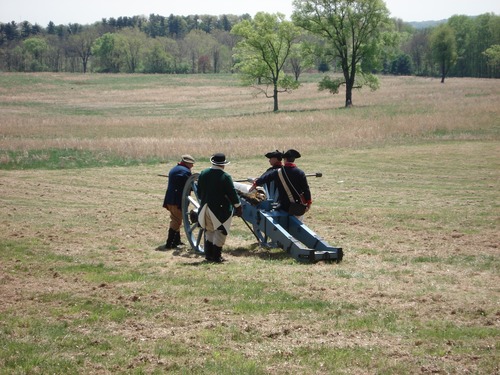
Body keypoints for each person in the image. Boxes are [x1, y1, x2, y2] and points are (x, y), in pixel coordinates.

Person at [197, 153, 242, 263]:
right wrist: (238, 206)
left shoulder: (203, 173)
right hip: (220, 210)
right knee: (221, 231)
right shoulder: (225, 176)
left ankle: (209, 255)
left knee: (209, 231)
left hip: (205, 207)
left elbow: (199, 193)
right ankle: (217, 256)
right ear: (223, 164)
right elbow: (232, 194)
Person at [252, 149, 312, 217]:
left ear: (285, 159)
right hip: (297, 207)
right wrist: (308, 202)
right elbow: (306, 189)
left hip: (284, 206)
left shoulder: (278, 172)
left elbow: (265, 178)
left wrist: (255, 183)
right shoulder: (300, 173)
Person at [161, 154, 195, 250]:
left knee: (176, 219)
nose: (192, 166)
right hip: (176, 200)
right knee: (176, 221)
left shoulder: (176, 169)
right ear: (186, 163)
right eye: (191, 164)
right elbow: (190, 185)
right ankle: (170, 243)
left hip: (171, 198)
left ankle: (176, 241)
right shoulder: (184, 171)